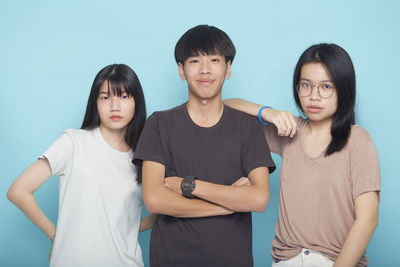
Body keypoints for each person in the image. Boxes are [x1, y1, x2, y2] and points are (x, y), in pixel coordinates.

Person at [224, 43, 380, 267]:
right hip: (286, 260)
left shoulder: (358, 140)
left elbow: (367, 219)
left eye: (326, 87)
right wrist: (267, 112)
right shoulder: (289, 131)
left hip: (335, 261)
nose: (314, 96)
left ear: (344, 89)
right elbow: (218, 109)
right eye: (306, 85)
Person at [132, 25, 276, 267]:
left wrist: (188, 186)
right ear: (181, 70)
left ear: (228, 69)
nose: (205, 69)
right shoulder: (159, 124)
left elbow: (259, 199)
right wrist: (228, 205)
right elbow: (155, 200)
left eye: (214, 59)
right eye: (195, 60)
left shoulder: (248, 127)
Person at [7, 64, 156, 267]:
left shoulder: (143, 156)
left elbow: (133, 217)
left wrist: (132, 226)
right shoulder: (74, 142)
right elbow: (18, 191)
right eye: (105, 97)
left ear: (136, 102)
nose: (114, 106)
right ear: (95, 102)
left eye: (123, 96)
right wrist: (55, 236)